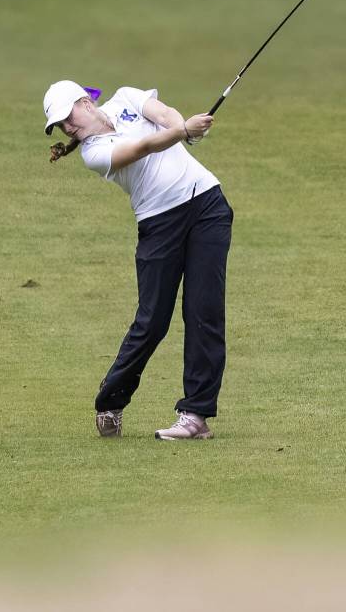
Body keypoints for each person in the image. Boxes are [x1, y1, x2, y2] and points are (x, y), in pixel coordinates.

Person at [43, 79, 233, 440]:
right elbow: (144, 146)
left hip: (207, 203)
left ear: (85, 103)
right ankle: (110, 401)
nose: (68, 127)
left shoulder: (127, 97)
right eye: (60, 126)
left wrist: (186, 131)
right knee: (152, 321)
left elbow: (165, 115)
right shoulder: (93, 154)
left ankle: (195, 415)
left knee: (204, 310)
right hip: (160, 223)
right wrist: (183, 131)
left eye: (68, 117)